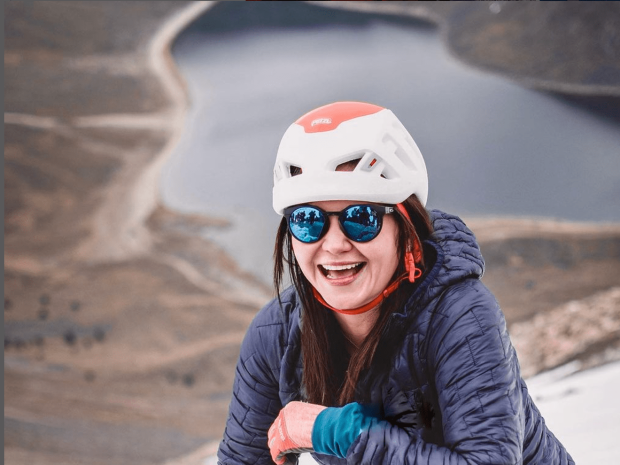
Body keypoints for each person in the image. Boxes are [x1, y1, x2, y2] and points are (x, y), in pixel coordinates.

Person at [217, 102, 574, 464]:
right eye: (308, 220)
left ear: (406, 230)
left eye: (361, 217)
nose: (335, 244)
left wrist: (340, 432)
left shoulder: (461, 317)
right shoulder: (275, 334)